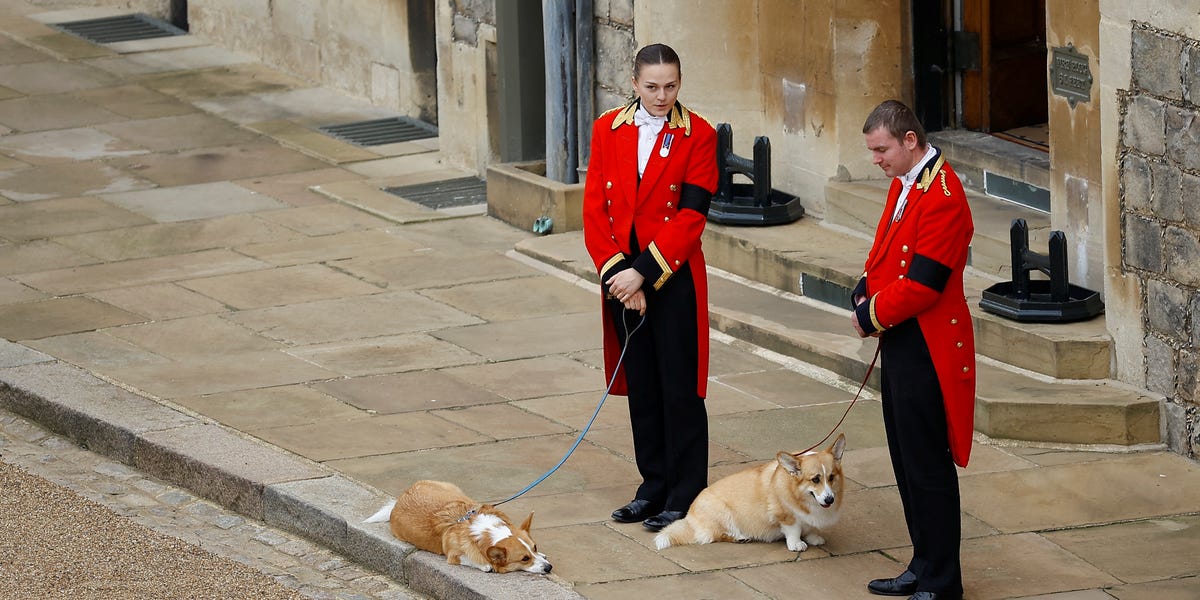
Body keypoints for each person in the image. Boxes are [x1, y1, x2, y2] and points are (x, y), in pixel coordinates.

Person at [581, 43, 718, 532]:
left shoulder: (699, 135)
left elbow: (692, 216)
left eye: (672, 86)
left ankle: (687, 492)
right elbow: (595, 209)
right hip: (622, 279)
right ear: (634, 84)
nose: (663, 96)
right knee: (641, 384)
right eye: (653, 86)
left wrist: (644, 272)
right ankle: (653, 485)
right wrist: (621, 277)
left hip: (672, 276)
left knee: (679, 387)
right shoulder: (606, 129)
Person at [852, 100, 975, 600]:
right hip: (903, 335)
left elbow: (924, 284)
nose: (876, 160)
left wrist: (868, 314)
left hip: (928, 343)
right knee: (905, 458)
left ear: (908, 140)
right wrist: (863, 287)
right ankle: (922, 564)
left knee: (927, 464)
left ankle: (943, 581)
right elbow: (885, 255)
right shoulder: (906, 184)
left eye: (881, 149)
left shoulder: (944, 195)